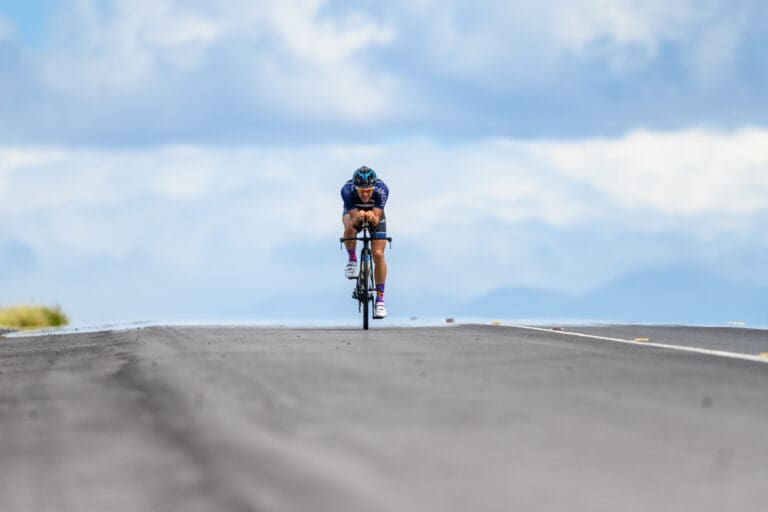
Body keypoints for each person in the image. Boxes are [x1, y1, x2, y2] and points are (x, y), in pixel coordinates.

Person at [341, 166, 389, 319]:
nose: (366, 194)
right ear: (356, 189)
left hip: (374, 213)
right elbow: (354, 220)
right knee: (349, 227)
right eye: (362, 191)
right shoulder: (347, 191)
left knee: (378, 254)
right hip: (354, 212)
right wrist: (359, 216)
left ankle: (380, 300)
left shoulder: (382, 190)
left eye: (369, 190)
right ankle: (352, 259)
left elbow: (376, 219)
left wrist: (372, 217)